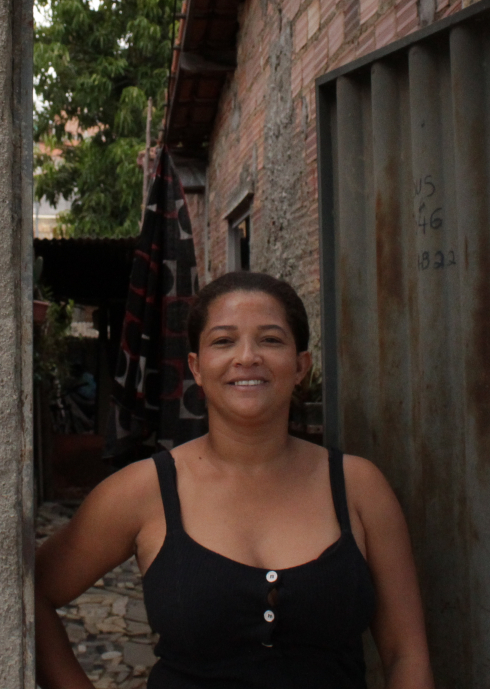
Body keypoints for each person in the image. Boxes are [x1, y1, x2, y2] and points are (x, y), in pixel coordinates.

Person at [35, 271, 434, 689]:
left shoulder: (359, 487)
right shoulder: (142, 490)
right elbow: (33, 594)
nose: (247, 357)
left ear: (301, 366)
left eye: (271, 340)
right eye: (224, 341)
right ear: (197, 367)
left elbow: (406, 653)